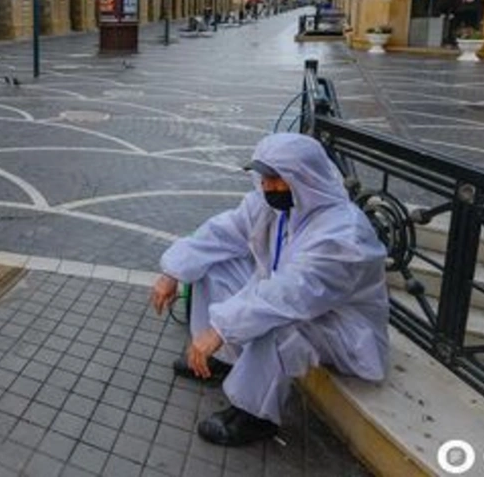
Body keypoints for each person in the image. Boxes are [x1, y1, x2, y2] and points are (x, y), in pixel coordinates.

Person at [149, 132, 389, 447]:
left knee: (279, 325)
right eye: (264, 178)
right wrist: (173, 271)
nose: (267, 187)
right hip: (292, 301)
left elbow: (292, 295)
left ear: (303, 178)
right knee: (214, 268)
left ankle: (255, 416)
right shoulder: (275, 206)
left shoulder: (343, 235)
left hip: (341, 327)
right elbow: (222, 233)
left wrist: (221, 328)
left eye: (276, 179)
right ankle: (221, 359)